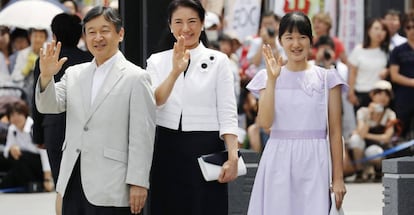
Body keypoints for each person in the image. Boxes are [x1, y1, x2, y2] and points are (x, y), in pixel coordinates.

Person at [35, 6, 155, 215]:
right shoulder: (74, 73)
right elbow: (49, 105)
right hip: (73, 179)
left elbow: (142, 136)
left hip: (112, 183)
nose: (97, 37)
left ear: (120, 33)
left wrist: (138, 182)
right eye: (91, 32)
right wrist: (46, 77)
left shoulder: (136, 77)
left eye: (104, 30)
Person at [246, 11, 347, 214]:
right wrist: (272, 80)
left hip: (315, 161)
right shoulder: (267, 76)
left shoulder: (327, 78)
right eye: (289, 37)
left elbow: (335, 132)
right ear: (280, 40)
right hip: (278, 159)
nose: (296, 44)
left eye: (302, 37)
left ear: (311, 40)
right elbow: (265, 123)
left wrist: (338, 178)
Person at [146, 0, 239, 214]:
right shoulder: (157, 61)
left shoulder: (219, 61)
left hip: (206, 148)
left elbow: (227, 111)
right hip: (166, 147)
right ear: (170, 25)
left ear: (203, 24)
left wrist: (232, 156)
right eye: (178, 22)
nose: (185, 28)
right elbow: (155, 100)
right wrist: (175, 71)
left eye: (192, 21)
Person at [32, 13, 93, 215]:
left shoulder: (46, 59)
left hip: (54, 128)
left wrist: (38, 135)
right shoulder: (89, 59)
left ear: (55, 34)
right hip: (83, 127)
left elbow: (38, 100)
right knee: (85, 183)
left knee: (62, 185)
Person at [348, 80, 396, 182]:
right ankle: (359, 172)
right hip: (361, 149)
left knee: (374, 152)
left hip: (378, 148)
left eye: (386, 95)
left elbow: (387, 138)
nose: (382, 97)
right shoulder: (363, 111)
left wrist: (365, 135)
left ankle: (378, 170)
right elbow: (359, 136)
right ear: (372, 95)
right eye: (379, 93)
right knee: (355, 139)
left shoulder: (390, 114)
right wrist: (370, 117)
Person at [0, 100, 53, 192]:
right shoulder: (13, 129)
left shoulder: (34, 128)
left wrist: (47, 179)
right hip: (23, 166)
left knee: (23, 157)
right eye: (12, 115)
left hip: (38, 166)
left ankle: (37, 183)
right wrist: (11, 149)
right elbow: (6, 152)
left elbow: (45, 156)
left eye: (18, 114)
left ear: (25, 114)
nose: (16, 118)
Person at [347, 18, 390, 113]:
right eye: (376, 28)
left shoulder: (387, 51)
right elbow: (353, 72)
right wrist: (351, 93)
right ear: (369, 30)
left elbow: (392, 68)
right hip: (361, 93)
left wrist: (387, 71)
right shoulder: (359, 50)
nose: (379, 32)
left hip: (380, 94)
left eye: (383, 30)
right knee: (362, 125)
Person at [389, 11, 414, 140]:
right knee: (401, 132)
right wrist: (411, 82)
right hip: (403, 97)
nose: (412, 30)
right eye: (408, 27)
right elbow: (394, 75)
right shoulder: (398, 50)